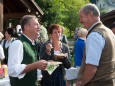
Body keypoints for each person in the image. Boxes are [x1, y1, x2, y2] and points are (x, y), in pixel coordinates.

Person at [76, 4, 115, 86]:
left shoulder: (94, 35)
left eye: (81, 17)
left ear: (90, 14)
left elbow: (91, 69)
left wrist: (80, 83)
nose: (80, 21)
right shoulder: (109, 32)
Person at [8, 15, 48, 86]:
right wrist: (35, 65)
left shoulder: (32, 43)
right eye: (36, 24)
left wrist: (42, 66)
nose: (39, 27)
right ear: (27, 27)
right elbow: (12, 70)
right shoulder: (18, 43)